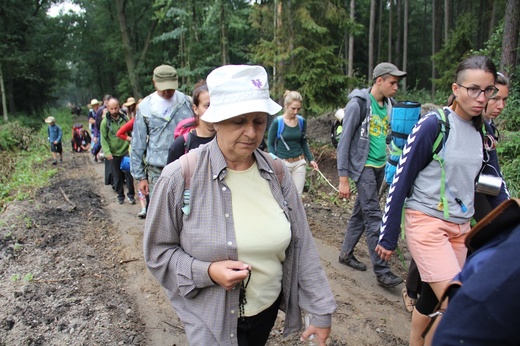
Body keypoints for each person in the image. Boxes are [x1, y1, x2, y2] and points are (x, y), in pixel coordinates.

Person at [143, 65, 336, 346]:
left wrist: (321, 310)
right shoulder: (179, 176)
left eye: (259, 121)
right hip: (208, 317)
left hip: (265, 312)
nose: (251, 132)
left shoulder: (278, 174)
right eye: (238, 121)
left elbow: (302, 244)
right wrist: (206, 272)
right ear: (216, 121)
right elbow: (157, 253)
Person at [375, 55, 507, 345]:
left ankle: (416, 340)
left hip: (461, 229)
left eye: (487, 91)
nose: (481, 97)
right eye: (473, 89)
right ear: (456, 89)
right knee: (458, 303)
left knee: (434, 299)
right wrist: (388, 235)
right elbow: (402, 179)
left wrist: (512, 221)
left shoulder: (484, 131)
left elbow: (495, 184)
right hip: (426, 224)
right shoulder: (433, 126)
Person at [336, 62, 406, 288]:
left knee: (360, 213)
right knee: (374, 215)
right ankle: (382, 271)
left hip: (379, 166)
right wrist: (343, 178)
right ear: (379, 81)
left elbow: (383, 136)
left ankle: (346, 254)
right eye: (392, 83)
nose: (396, 87)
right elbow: (344, 141)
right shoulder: (358, 104)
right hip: (363, 167)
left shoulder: (389, 106)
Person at [432, 198, 520, 345]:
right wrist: (388, 237)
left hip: (461, 226)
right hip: (428, 219)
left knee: (436, 299)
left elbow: (497, 188)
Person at [130, 64, 193, 198]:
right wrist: (140, 177)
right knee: (159, 213)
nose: (167, 92)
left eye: (170, 88)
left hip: (186, 168)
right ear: (154, 83)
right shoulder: (145, 108)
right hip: (157, 170)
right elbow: (138, 143)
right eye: (163, 87)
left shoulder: (187, 103)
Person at [267, 90, 318, 196]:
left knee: (297, 197)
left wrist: (311, 160)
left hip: (299, 162)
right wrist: (275, 160)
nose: (296, 112)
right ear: (286, 106)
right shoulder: (278, 122)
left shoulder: (301, 121)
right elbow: (270, 143)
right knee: (284, 195)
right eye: (293, 108)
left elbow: (303, 141)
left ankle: (296, 213)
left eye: (298, 109)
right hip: (283, 163)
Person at [166, 79, 214, 165]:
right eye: (208, 105)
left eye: (215, 105)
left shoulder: (226, 140)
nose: (213, 110)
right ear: (195, 109)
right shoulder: (181, 144)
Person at [100, 98, 136, 205]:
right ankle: (120, 195)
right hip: (113, 153)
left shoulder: (125, 118)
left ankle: (131, 195)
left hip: (125, 150)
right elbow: (103, 138)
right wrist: (107, 152)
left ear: (119, 107)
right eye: (111, 109)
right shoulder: (105, 122)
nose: (114, 111)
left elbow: (130, 132)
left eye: (116, 108)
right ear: (108, 109)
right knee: (117, 175)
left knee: (129, 173)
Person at [116, 100, 148, 218]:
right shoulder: (134, 121)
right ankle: (144, 208)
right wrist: (132, 139)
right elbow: (120, 133)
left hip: (151, 155)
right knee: (141, 180)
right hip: (138, 153)